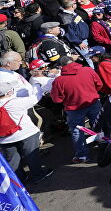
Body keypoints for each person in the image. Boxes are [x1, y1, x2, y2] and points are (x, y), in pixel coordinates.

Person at [0, 55, 52, 183]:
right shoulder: (14, 102)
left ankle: (18, 181)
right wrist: (38, 87)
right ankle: (37, 175)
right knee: (31, 155)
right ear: (8, 92)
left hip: (4, 137)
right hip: (24, 133)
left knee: (13, 159)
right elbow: (35, 99)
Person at [50, 56, 103, 163]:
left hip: (74, 109)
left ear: (61, 67)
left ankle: (82, 155)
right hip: (93, 102)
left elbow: (56, 99)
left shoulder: (59, 81)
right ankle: (104, 146)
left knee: (77, 131)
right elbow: (99, 85)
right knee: (99, 125)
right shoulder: (88, 70)